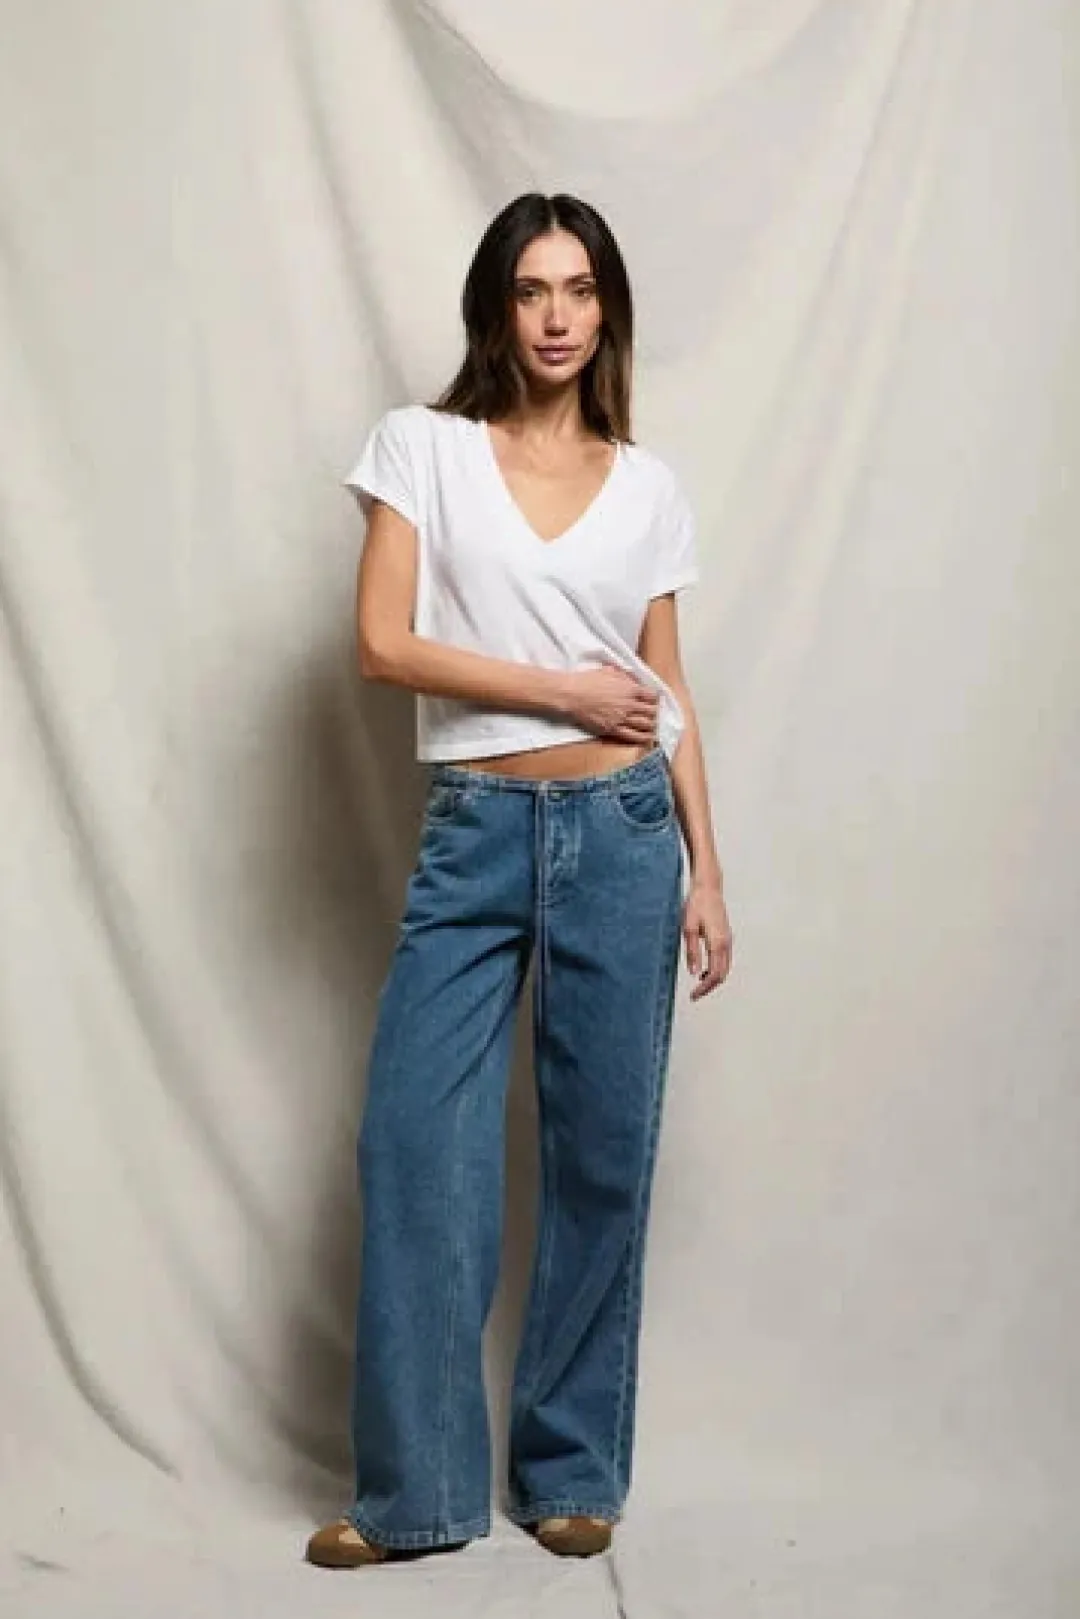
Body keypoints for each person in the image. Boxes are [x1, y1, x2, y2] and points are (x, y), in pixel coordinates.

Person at [305, 192, 732, 1569]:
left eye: (580, 289)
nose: (557, 316)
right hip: (477, 826)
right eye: (532, 288)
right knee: (413, 1144)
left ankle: (569, 1470)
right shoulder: (423, 449)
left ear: (607, 310)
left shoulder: (646, 484)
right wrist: (559, 689)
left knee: (602, 1158)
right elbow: (382, 643)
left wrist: (708, 871)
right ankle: (418, 1494)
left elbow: (668, 690)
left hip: (626, 831)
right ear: (497, 305)